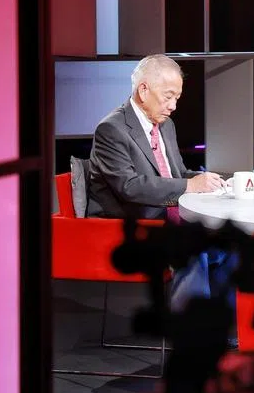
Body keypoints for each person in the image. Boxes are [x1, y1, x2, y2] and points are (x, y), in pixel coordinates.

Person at [86, 55, 235, 337]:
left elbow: (176, 174)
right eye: (168, 96)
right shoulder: (112, 130)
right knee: (192, 248)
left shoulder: (165, 125)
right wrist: (188, 187)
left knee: (228, 241)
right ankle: (192, 339)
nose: (173, 106)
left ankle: (223, 333)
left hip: (164, 215)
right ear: (144, 90)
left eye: (177, 97)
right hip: (126, 225)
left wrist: (209, 181)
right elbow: (128, 187)